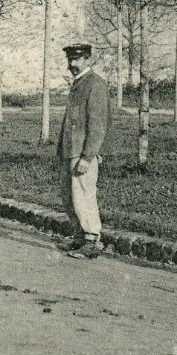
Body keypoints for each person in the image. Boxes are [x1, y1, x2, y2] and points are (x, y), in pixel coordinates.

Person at [56, 43, 113, 259]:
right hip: (70, 151)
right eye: (70, 59)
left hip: (82, 154)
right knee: (69, 197)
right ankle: (79, 237)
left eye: (77, 59)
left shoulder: (95, 85)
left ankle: (91, 240)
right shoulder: (78, 84)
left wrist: (88, 156)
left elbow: (97, 125)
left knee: (84, 196)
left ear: (87, 59)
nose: (72, 64)